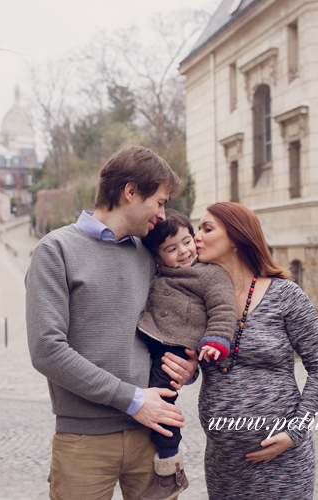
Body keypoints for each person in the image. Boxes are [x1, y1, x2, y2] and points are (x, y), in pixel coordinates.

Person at [25, 144, 199, 500]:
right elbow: (46, 350)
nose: (163, 215)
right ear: (130, 192)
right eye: (160, 202)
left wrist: (188, 365)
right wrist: (132, 400)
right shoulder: (55, 250)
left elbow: (172, 326)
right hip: (83, 442)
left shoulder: (149, 256)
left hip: (150, 438)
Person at [193, 201, 318, 500]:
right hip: (224, 463)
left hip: (282, 460)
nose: (197, 237)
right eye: (197, 229)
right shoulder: (198, 299)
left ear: (235, 237)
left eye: (207, 229)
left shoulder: (285, 296)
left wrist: (295, 433)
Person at [137, 209, 237, 500]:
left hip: (176, 348)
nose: (183, 252)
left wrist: (215, 341)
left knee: (161, 404)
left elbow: (223, 309)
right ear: (158, 257)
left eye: (186, 242)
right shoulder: (159, 273)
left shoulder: (210, 274)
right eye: (171, 248)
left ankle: (170, 470)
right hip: (154, 339)